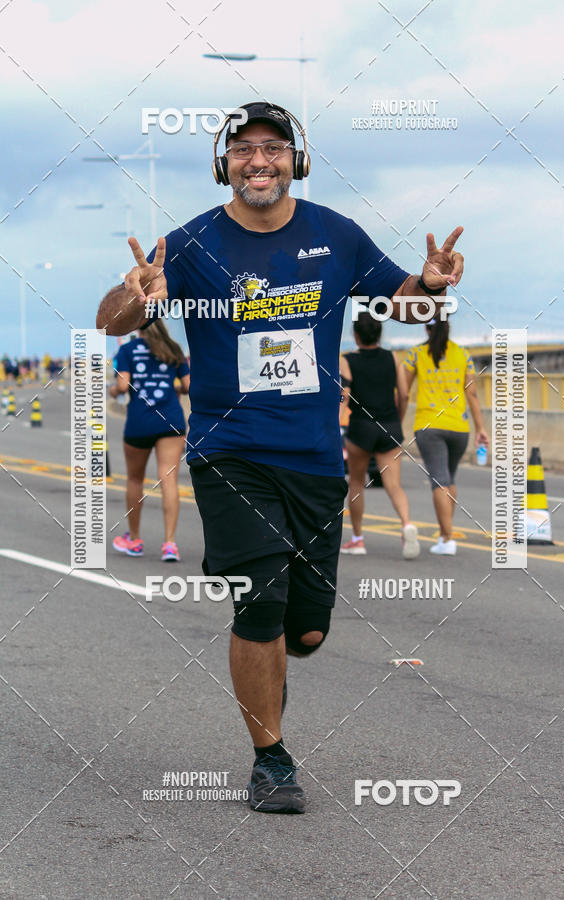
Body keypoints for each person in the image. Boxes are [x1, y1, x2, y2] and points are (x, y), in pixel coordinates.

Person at [97, 100, 465, 814]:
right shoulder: (191, 243)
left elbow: (405, 304)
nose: (258, 160)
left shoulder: (335, 233)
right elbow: (112, 321)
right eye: (243, 149)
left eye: (273, 148)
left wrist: (431, 287)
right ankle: (271, 759)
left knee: (307, 631)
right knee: (259, 601)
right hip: (229, 452)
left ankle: (273, 666)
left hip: (315, 459)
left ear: (296, 160)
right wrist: (134, 294)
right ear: (223, 164)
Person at [404, 318, 488, 555]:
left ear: (425, 327)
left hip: (429, 426)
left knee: (439, 481)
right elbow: (472, 394)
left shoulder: (416, 354)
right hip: (459, 427)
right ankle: (445, 536)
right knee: (449, 480)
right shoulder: (463, 354)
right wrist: (480, 428)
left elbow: (403, 391)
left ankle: (447, 538)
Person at [339, 311, 419, 559]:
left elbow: (344, 395)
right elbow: (404, 394)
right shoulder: (392, 357)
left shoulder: (347, 360)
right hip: (389, 426)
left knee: (356, 483)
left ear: (355, 335)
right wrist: (398, 419)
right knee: (394, 485)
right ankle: (406, 524)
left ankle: (358, 539)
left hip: (361, 427)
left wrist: (335, 419)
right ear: (379, 334)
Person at [109, 320, 190, 561]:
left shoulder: (127, 350)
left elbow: (122, 386)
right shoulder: (173, 348)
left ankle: (134, 540)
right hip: (170, 420)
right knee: (169, 480)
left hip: (140, 421)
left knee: (135, 479)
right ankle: (170, 544)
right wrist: (174, 388)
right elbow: (188, 385)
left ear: (138, 327)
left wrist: (113, 391)